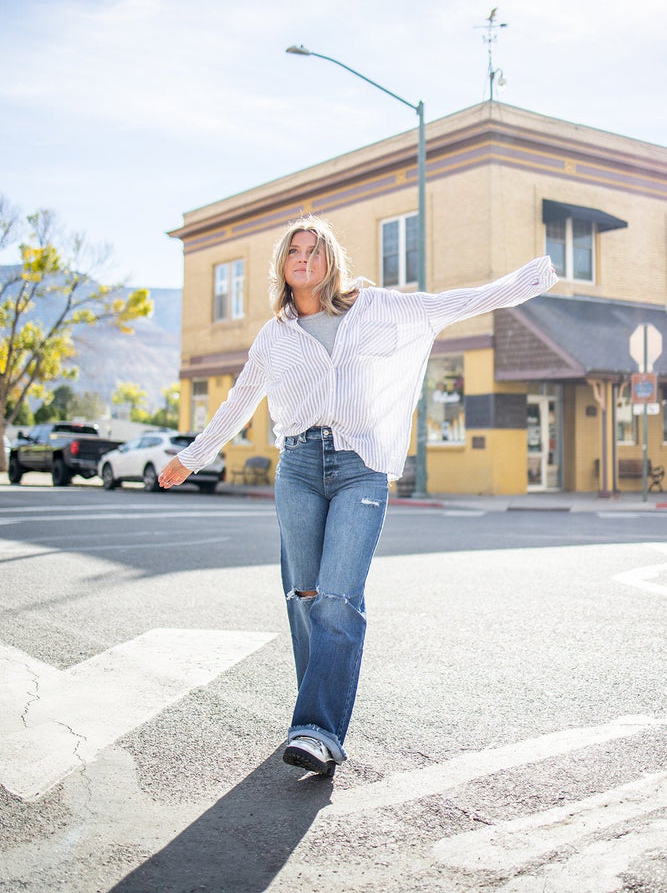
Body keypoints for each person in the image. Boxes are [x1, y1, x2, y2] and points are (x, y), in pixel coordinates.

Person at [158, 216, 558, 777]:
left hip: (359, 468)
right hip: (296, 466)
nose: (304, 258)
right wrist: (190, 458)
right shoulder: (274, 336)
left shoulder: (372, 310)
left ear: (329, 260)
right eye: (293, 250)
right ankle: (314, 711)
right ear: (283, 265)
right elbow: (239, 401)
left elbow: (447, 305)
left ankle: (316, 729)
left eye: (314, 249)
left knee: (338, 597)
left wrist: (525, 282)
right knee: (304, 595)